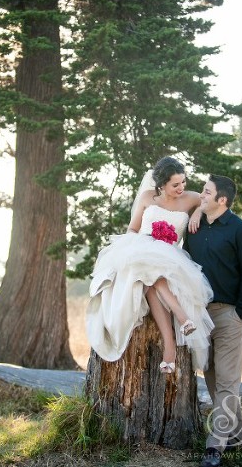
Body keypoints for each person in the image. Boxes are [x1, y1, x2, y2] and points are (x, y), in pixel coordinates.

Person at [86, 156, 214, 374]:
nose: (181, 187)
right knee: (149, 275)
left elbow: (206, 201)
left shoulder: (190, 198)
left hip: (171, 255)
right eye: (175, 184)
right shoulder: (147, 197)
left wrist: (198, 212)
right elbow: (132, 229)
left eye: (183, 182)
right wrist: (143, 243)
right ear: (161, 185)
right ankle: (179, 324)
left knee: (153, 279)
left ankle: (171, 344)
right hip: (142, 246)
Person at [183, 175, 242, 467]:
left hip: (229, 314)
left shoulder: (241, 231)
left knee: (227, 381)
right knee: (212, 378)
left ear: (222, 200)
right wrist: (198, 210)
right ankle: (238, 435)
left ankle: (214, 449)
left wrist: (240, 312)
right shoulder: (195, 226)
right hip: (200, 314)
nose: (201, 195)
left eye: (207, 192)